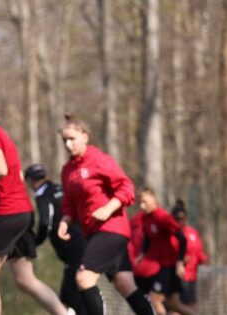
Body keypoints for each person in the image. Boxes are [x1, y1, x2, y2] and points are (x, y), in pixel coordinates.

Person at [0, 87, 72, 315]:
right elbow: (17, 174)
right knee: (24, 279)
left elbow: (0, 169)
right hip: (21, 211)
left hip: (9, 213)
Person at [56, 113, 154, 315]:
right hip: (93, 232)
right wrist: (65, 220)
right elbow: (70, 204)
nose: (67, 144)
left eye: (72, 138)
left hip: (111, 229)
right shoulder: (68, 170)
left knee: (84, 278)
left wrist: (107, 209)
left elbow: (126, 187)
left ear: (85, 136)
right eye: (64, 140)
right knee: (124, 283)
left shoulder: (98, 160)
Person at [25, 163, 87, 315]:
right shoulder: (61, 188)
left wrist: (34, 242)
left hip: (72, 247)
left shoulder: (42, 194)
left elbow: (46, 223)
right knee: (72, 293)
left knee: (69, 295)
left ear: (30, 181)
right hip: (84, 240)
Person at [137, 189, 195, 315]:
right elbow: (147, 238)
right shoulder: (146, 218)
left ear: (154, 198)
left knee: (154, 299)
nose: (142, 206)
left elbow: (182, 239)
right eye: (140, 202)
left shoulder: (163, 217)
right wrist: (142, 254)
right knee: (173, 304)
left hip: (168, 267)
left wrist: (179, 262)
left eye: (145, 202)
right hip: (160, 267)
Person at [169, 201, 207, 312]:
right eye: (178, 219)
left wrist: (202, 258)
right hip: (179, 277)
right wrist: (179, 261)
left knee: (192, 306)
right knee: (178, 307)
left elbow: (198, 250)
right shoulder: (172, 235)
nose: (181, 221)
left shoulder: (192, 233)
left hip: (192, 276)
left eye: (183, 218)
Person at [127, 211, 161, 298]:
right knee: (157, 302)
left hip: (136, 269)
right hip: (155, 269)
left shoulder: (132, 225)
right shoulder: (154, 222)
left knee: (143, 302)